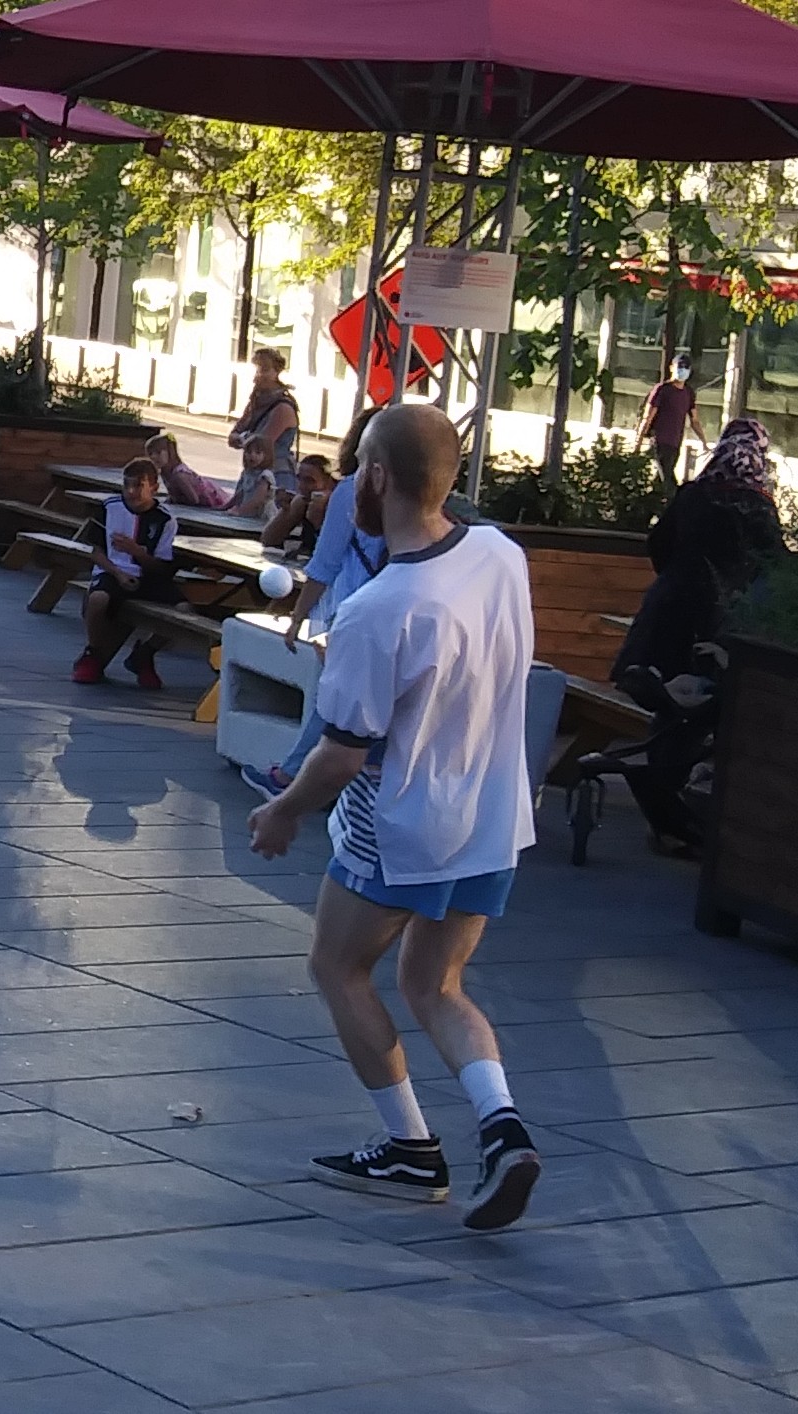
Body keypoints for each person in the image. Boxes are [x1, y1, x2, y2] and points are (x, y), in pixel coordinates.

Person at [248, 401, 543, 1233]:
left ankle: (409, 1149)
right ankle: (502, 1128)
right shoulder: (499, 555)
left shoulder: (375, 612)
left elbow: (341, 755)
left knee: (337, 968)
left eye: (355, 471)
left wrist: (281, 812)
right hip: (491, 819)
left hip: (403, 824)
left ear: (375, 479)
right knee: (434, 983)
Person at [244, 414, 387, 800]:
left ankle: (290, 777)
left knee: (337, 699)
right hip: (397, 612)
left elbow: (325, 564)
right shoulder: (414, 494)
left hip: (355, 608)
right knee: (376, 702)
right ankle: (361, 779)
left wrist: (297, 618)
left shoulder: (351, 492)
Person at [615, 418, 788, 685]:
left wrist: (678, 573)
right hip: (725, 621)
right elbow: (774, 567)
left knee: (648, 690)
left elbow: (658, 542)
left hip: (668, 609)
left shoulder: (693, 495)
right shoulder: (759, 507)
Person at [73, 457, 181, 689]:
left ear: (153, 487)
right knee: (98, 599)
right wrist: (118, 573)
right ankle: (92, 652)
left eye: (138, 486)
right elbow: (95, 549)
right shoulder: (110, 507)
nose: (131, 492)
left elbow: (162, 566)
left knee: (185, 611)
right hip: (112, 572)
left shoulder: (165, 519)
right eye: (127, 485)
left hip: (146, 578)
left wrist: (138, 553)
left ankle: (145, 653)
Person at [228, 348, 301, 484]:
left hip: (275, 476)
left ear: (276, 372)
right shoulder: (256, 401)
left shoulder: (283, 407)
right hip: (253, 472)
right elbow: (237, 431)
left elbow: (262, 443)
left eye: (265, 369)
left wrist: (242, 438)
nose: (258, 375)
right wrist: (237, 437)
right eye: (257, 369)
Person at [638, 357, 704, 484]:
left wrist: (704, 442)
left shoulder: (688, 393)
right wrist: (638, 443)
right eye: (680, 367)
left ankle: (655, 500)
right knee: (668, 479)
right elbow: (648, 416)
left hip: (676, 443)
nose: (682, 370)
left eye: (686, 368)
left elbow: (694, 420)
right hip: (660, 441)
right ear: (671, 368)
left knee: (661, 479)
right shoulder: (662, 390)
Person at [262, 453, 336, 558]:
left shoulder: (339, 504)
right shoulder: (303, 501)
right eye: (299, 479)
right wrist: (285, 511)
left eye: (309, 481)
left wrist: (317, 523)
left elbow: (333, 552)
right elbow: (268, 540)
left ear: (328, 481)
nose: (301, 486)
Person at [151, 432, 231, 509]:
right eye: (150, 454)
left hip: (215, 501)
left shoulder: (179, 476)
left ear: (171, 452)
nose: (153, 457)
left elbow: (194, 499)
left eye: (158, 453)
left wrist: (176, 499)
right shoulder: (164, 473)